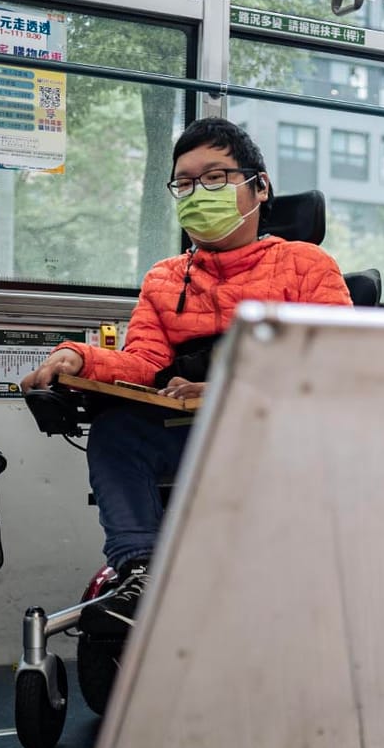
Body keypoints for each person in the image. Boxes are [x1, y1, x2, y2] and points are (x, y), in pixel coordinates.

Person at [20, 118, 352, 636]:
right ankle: (140, 570)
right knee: (117, 430)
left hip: (277, 438)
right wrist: (79, 359)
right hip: (190, 435)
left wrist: (226, 389)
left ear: (259, 187)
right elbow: (145, 363)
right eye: (185, 182)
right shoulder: (165, 278)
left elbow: (334, 362)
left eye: (215, 178)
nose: (198, 193)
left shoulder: (307, 265)